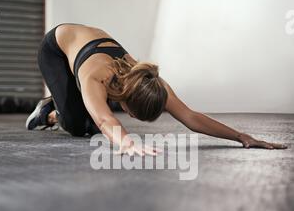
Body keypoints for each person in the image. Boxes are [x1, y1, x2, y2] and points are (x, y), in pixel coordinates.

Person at [26, 23, 287, 156]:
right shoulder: (98, 76)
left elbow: (191, 117)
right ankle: (49, 111)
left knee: (94, 128)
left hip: (90, 52)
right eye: (135, 115)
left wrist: (242, 136)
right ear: (126, 101)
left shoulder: (150, 81)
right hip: (56, 50)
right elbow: (106, 119)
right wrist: (126, 142)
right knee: (76, 125)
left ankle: (64, 105)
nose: (134, 119)